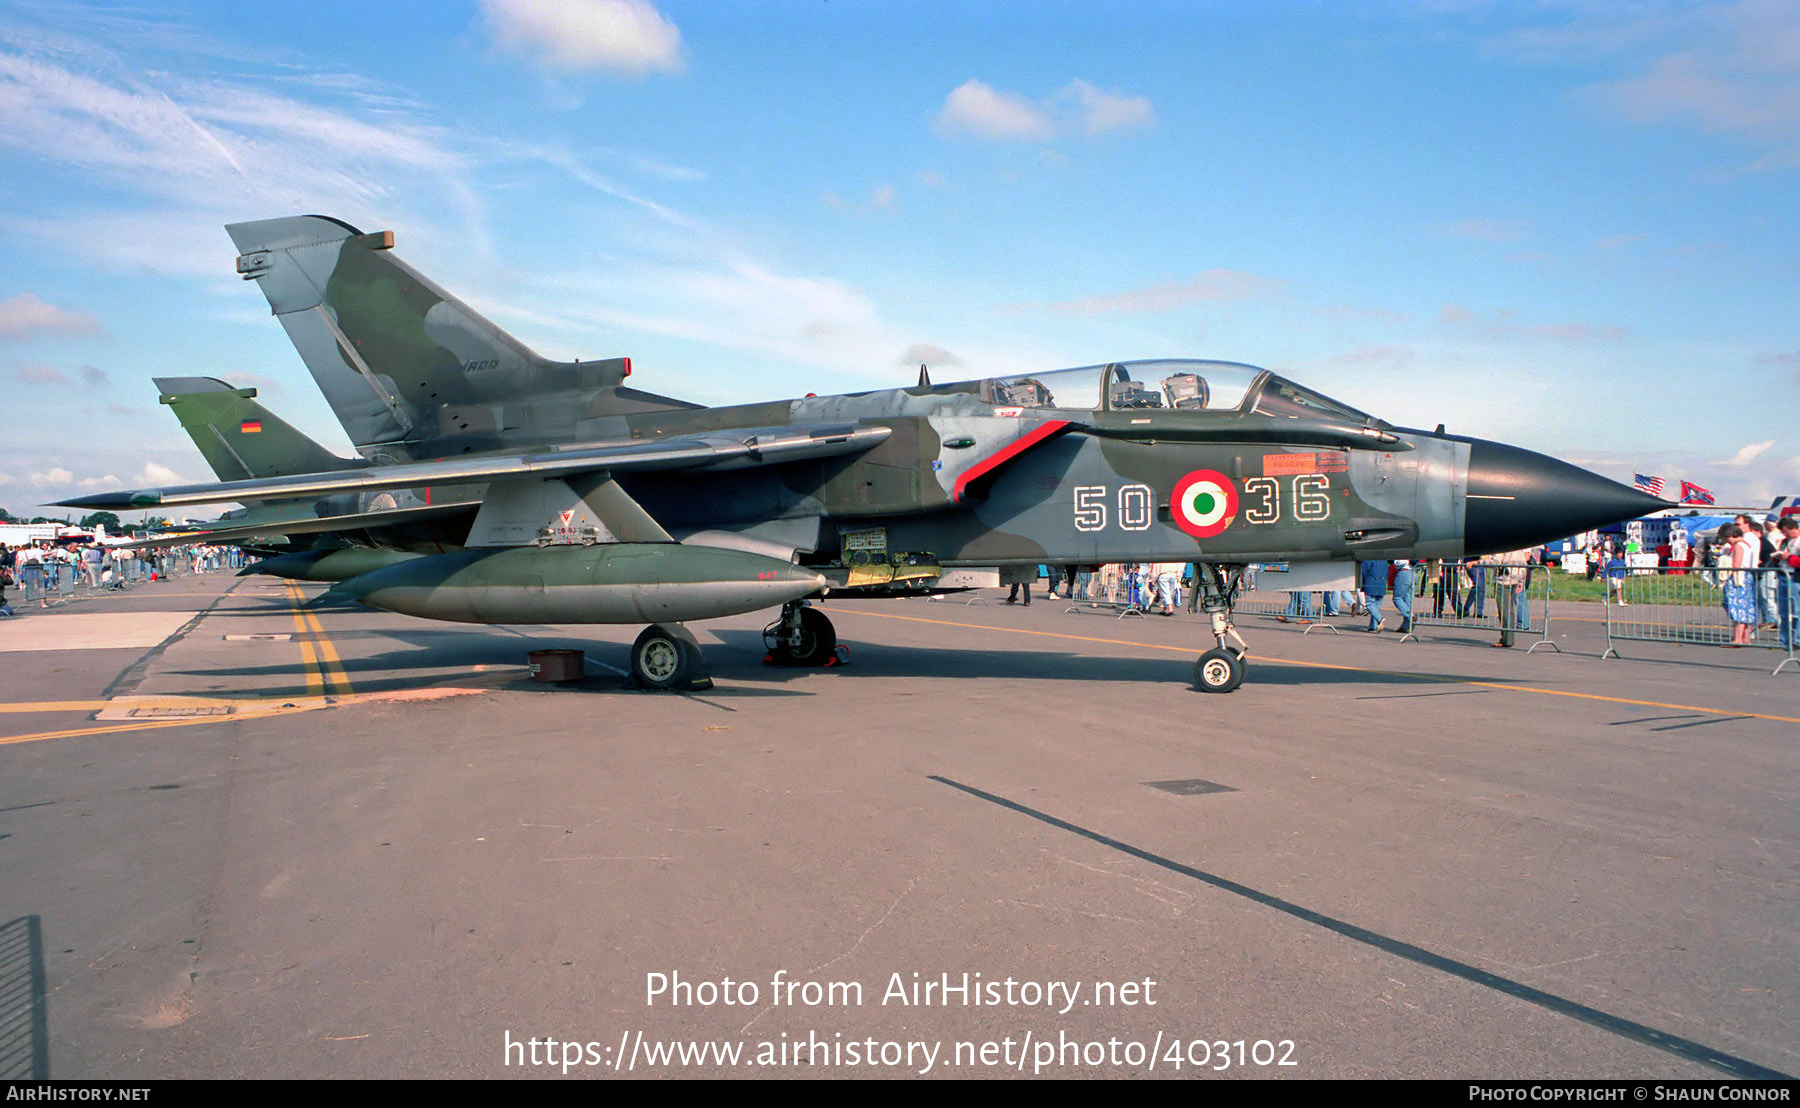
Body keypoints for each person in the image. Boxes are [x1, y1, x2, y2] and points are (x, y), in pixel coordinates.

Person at [1717, 523, 1756, 646]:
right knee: (1745, 607)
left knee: (1736, 608)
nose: (1726, 541)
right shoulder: (1747, 545)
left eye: (1726, 538)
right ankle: (1745, 637)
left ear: (1731, 535)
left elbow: (1736, 564)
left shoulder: (1739, 546)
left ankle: (1737, 638)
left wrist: (1724, 560)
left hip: (1738, 579)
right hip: (1747, 577)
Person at [1358, 559, 1388, 632]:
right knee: (1376, 606)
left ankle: (1380, 619)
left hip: (1371, 581)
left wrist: (1362, 584)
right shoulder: (1384, 560)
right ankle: (1373, 626)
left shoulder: (1368, 559)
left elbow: (1364, 572)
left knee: (1369, 603)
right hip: (1382, 582)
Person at [1391, 559, 1415, 633]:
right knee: (1408, 600)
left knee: (1397, 598)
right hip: (1413, 572)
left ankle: (1410, 615)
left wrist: (1396, 562)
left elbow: (1401, 562)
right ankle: (1405, 626)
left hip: (1404, 572)